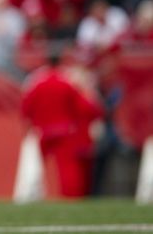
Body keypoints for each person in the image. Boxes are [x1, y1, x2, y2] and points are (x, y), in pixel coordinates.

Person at [21, 51, 102, 197]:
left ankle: (35, 195)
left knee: (38, 168)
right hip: (65, 131)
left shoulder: (37, 82)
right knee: (67, 168)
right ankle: (69, 197)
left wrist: (31, 124)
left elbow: (26, 107)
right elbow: (87, 108)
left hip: (43, 131)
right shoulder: (67, 82)